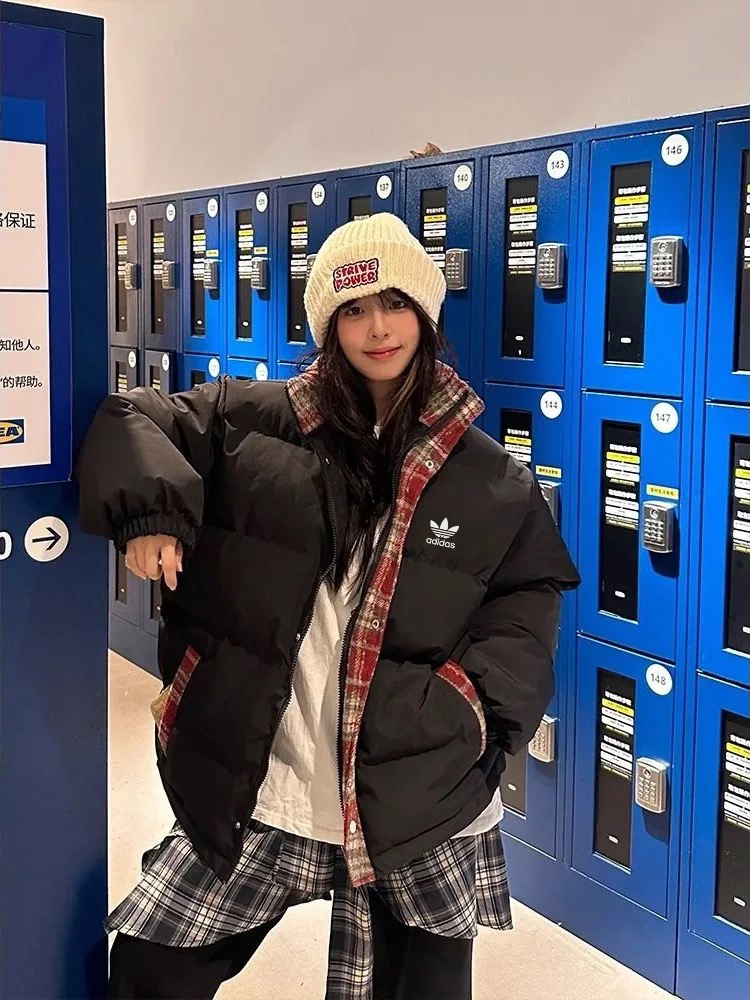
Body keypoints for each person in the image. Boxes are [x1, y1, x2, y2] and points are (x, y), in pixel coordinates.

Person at [76, 212, 580, 1000]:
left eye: (395, 304)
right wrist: (150, 514)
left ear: (425, 314)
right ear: (328, 323)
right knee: (150, 968)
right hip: (265, 782)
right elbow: (132, 418)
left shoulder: (490, 478)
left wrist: (470, 710)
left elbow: (527, 606)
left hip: (417, 793)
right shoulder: (249, 423)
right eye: (354, 309)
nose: (378, 328)